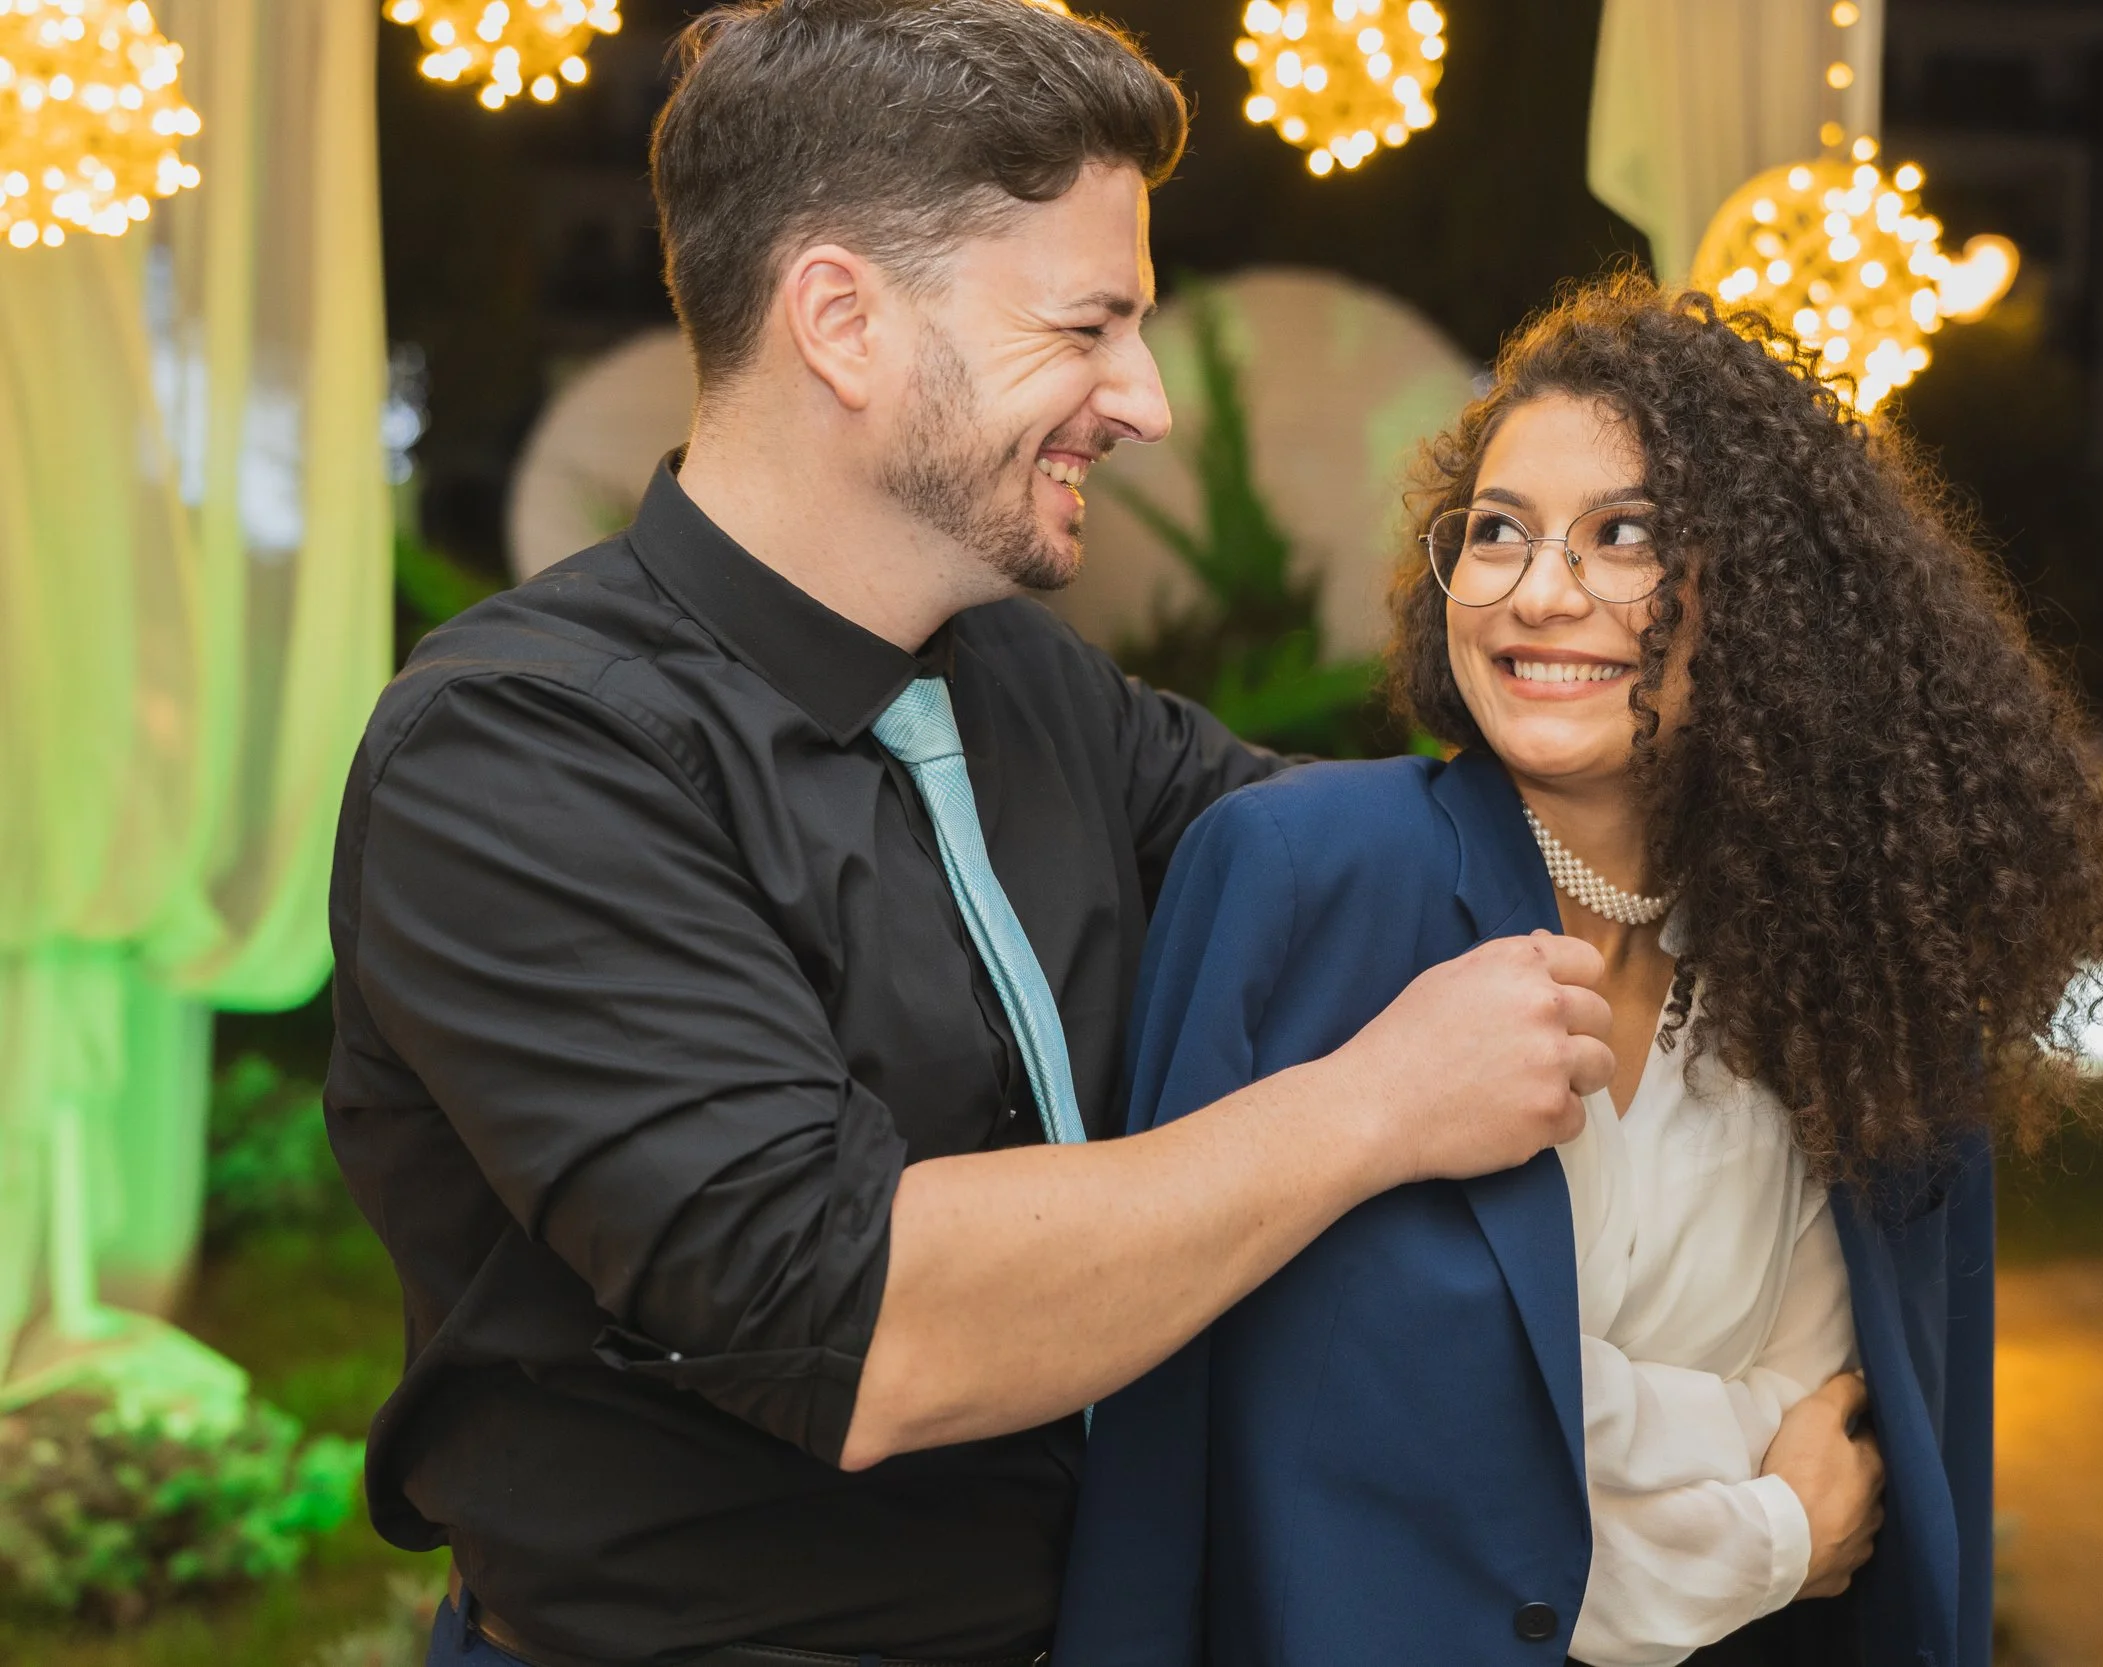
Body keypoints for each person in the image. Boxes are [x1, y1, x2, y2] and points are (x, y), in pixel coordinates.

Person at [324, 6, 1619, 1666]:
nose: (1143, 400)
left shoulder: (1021, 680)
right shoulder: (514, 751)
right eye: (1089, 327)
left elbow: (1365, 860)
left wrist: (1592, 679)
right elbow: (861, 1324)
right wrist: (1374, 1110)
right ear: (845, 323)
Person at [1055, 276, 2103, 1667]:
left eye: (1623, 536)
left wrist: (1591, 1447)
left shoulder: (1868, 963)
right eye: (1498, 533)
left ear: (1762, 596)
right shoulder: (1301, 881)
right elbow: (1265, 1431)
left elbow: (1871, 1438)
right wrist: (1763, 1527)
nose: (1538, 592)